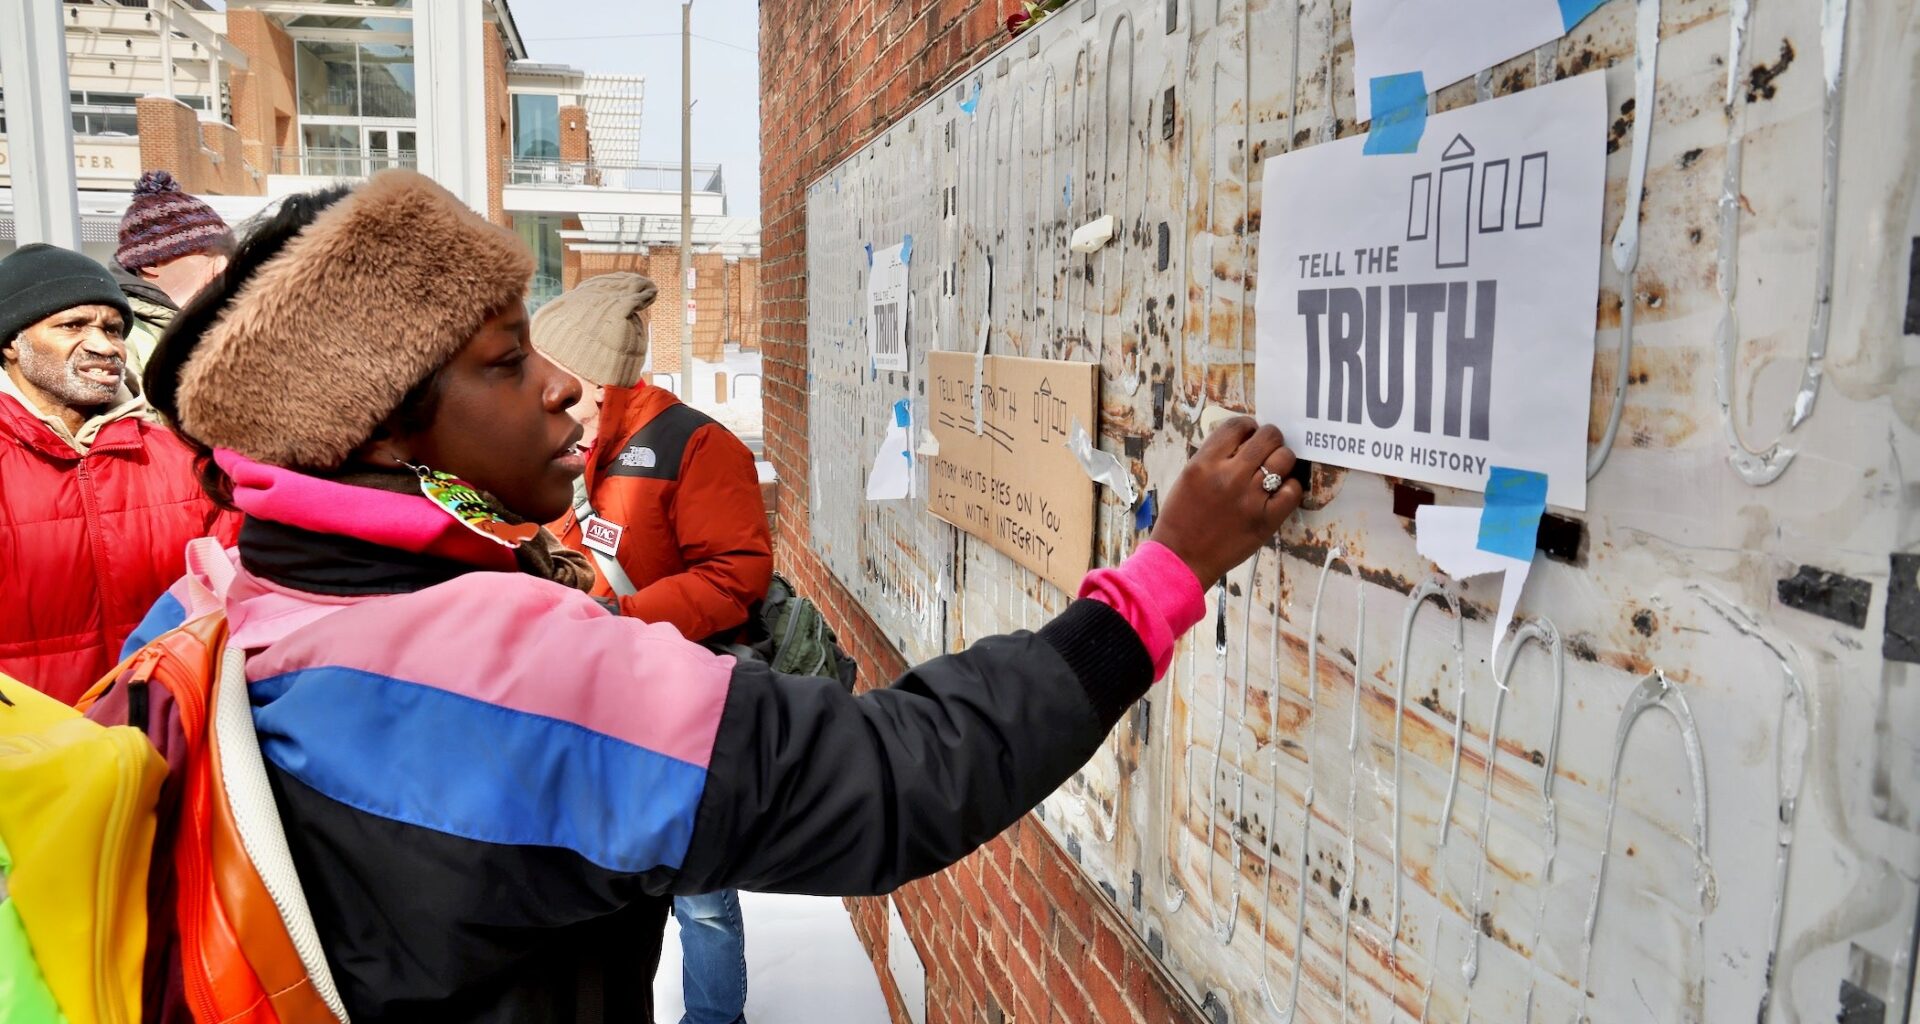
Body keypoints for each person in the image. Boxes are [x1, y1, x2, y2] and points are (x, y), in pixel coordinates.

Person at [132, 170, 1305, 1022]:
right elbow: (902, 779)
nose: (562, 392)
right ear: (379, 430)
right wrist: (1168, 570)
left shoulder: (223, 591)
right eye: (503, 362)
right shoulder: (495, 662)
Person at [535, 272, 768, 1024]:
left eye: (549, 368)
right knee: (594, 885)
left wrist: (625, 619)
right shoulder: (563, 445)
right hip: (585, 705)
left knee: (699, 897)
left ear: (591, 374)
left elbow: (736, 575)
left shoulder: (694, 444)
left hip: (676, 705)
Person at [0, 243, 240, 704]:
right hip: (22, 754)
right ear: (12, 342)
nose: (104, 345)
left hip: (158, 739)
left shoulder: (187, 463)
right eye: (73, 325)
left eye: (113, 329)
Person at [113, 170, 235, 381]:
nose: (224, 267)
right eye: (208, 255)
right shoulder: (121, 334)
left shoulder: (221, 322)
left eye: (228, 255)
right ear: (151, 262)